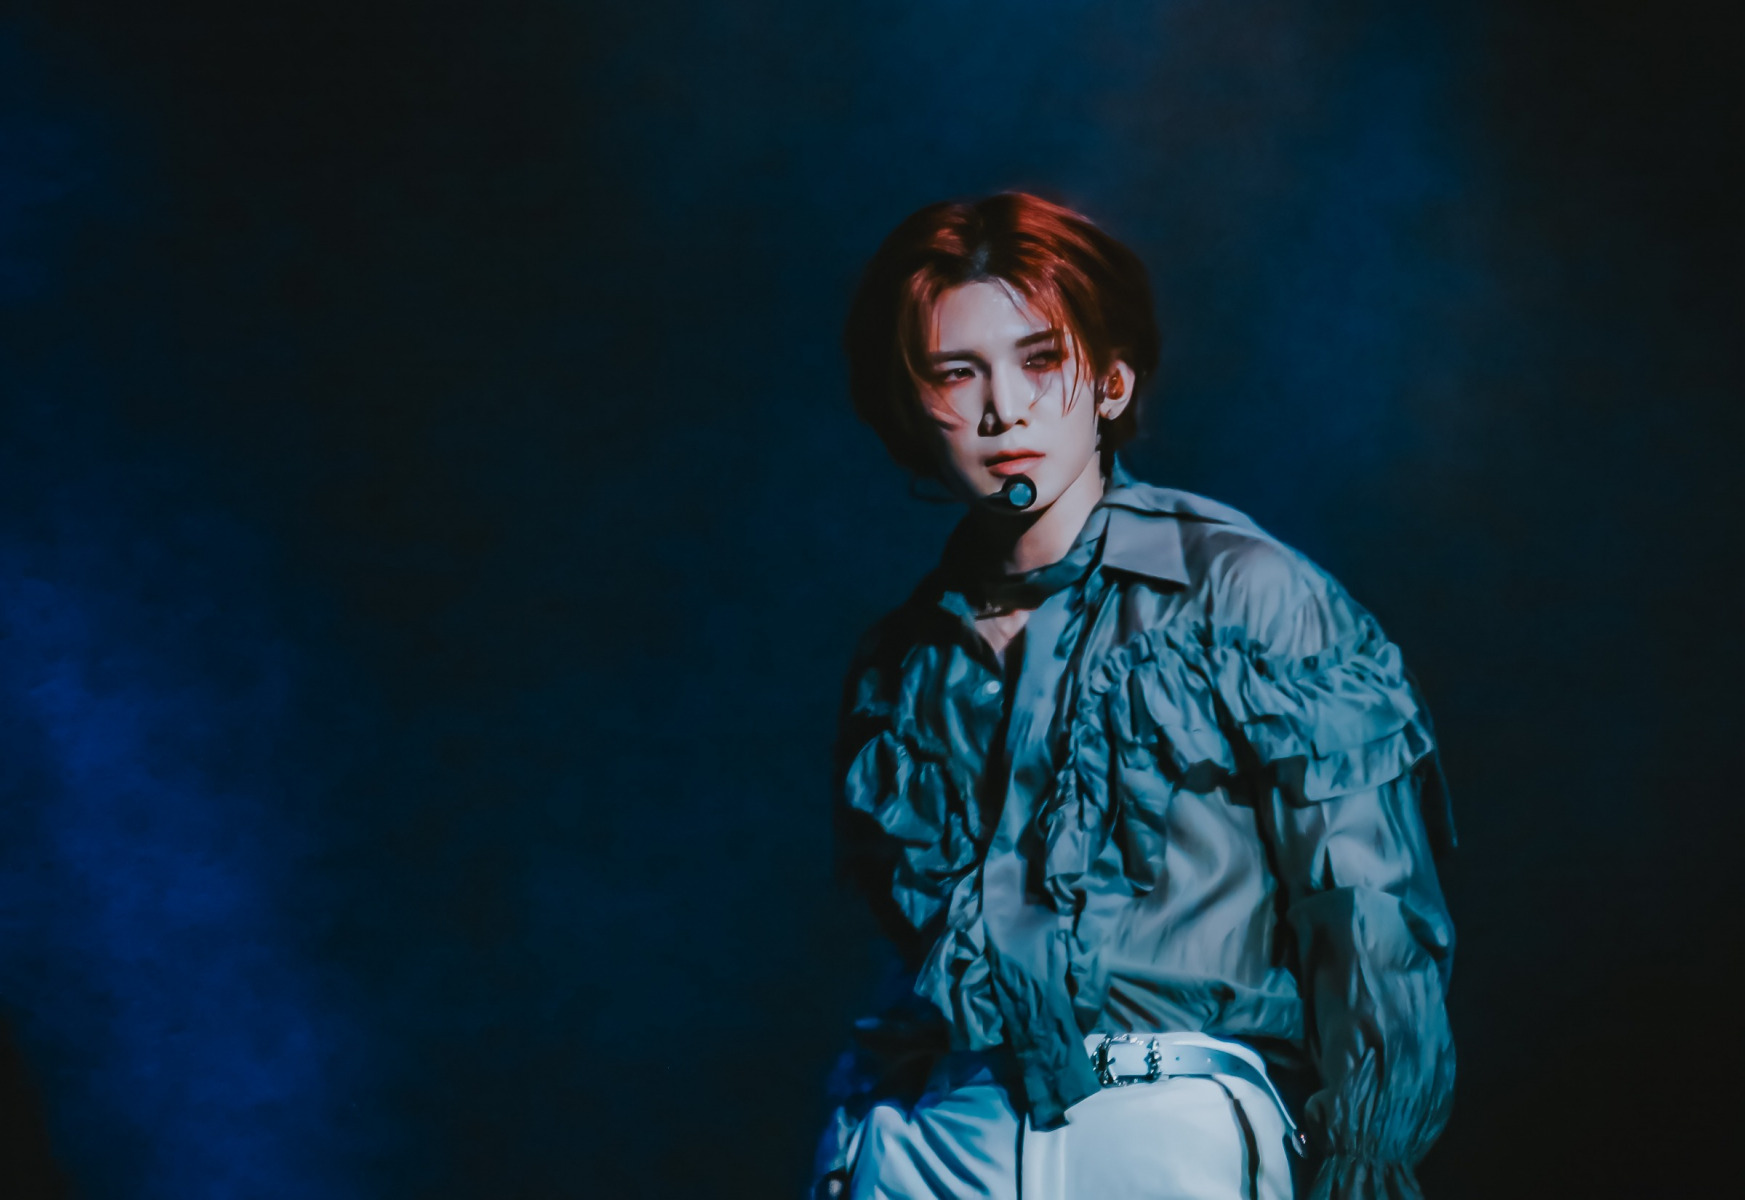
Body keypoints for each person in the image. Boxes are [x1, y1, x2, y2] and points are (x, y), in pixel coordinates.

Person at [812, 193, 1456, 1200]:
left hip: (1163, 1122)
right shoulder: (899, 662)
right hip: (937, 1134)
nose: (1001, 409)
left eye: (1039, 360)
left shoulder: (1246, 594)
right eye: (955, 372)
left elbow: (1366, 910)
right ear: (911, 403)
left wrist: (1365, 1155)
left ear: (1110, 380)